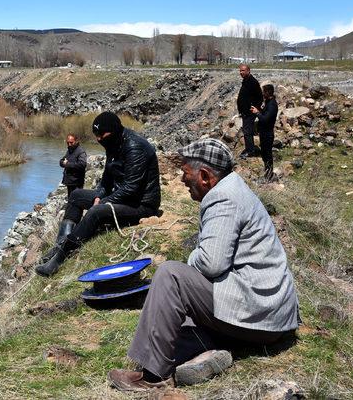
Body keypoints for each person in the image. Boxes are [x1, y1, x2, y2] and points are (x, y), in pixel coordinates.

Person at [108, 138, 299, 392]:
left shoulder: (223, 199)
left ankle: (155, 377)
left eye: (186, 174)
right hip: (270, 316)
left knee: (171, 276)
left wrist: (190, 259)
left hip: (260, 314)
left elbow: (211, 263)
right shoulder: (232, 187)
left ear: (206, 176)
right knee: (179, 309)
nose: (181, 180)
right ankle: (210, 351)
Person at [35, 111, 161, 277]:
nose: (99, 139)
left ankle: (61, 257)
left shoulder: (134, 147)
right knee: (76, 195)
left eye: (102, 135)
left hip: (141, 205)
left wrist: (102, 202)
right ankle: (60, 244)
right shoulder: (113, 144)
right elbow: (106, 182)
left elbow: (131, 188)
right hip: (124, 199)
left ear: (114, 131)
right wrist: (99, 196)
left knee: (96, 211)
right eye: (96, 135)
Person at [251, 84, 278, 181]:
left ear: (267, 92)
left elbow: (265, 119)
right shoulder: (268, 102)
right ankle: (267, 174)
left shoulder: (272, 105)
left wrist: (257, 113)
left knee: (267, 155)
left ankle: (269, 176)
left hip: (268, 134)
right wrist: (259, 110)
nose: (262, 94)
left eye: (264, 92)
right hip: (264, 133)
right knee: (264, 154)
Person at [237, 64, 263, 158]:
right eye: (240, 71)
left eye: (243, 70)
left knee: (248, 131)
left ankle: (250, 151)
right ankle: (249, 148)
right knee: (246, 130)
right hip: (245, 112)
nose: (241, 72)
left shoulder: (253, 82)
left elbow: (260, 97)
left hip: (249, 112)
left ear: (248, 71)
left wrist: (254, 108)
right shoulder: (246, 81)